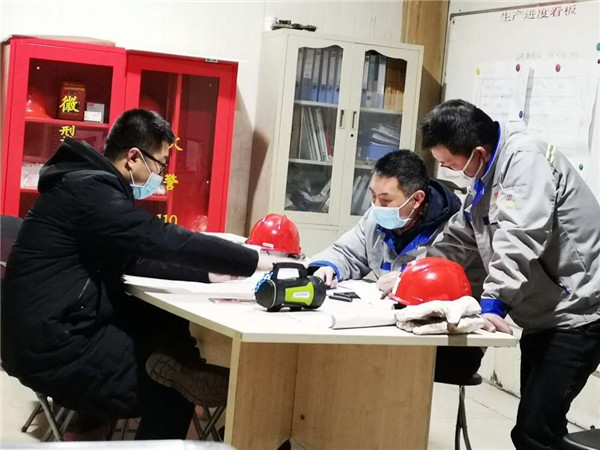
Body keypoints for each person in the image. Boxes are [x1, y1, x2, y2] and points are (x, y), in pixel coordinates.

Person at [1, 109, 284, 440]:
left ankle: (186, 369)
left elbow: (135, 258)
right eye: (160, 165)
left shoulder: (82, 183)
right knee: (173, 394)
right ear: (133, 157)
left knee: (158, 317)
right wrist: (256, 261)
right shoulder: (91, 193)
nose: (161, 176)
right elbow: (159, 239)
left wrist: (207, 274)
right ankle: (186, 376)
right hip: (51, 348)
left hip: (47, 331)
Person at [421, 99, 600, 449]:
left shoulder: (525, 160)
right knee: (539, 427)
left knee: (535, 431)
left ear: (478, 153)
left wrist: (494, 302)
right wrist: (418, 272)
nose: (451, 171)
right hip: (544, 315)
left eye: (451, 164)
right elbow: (463, 232)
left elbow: (519, 233)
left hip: (579, 313)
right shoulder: (488, 174)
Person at [310, 149, 484, 381]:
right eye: (373, 197)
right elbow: (347, 251)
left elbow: (448, 288)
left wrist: (406, 281)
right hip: (387, 329)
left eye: (385, 200)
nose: (376, 206)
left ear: (417, 199)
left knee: (369, 364)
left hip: (444, 339)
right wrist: (328, 267)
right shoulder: (377, 217)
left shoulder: (457, 229)